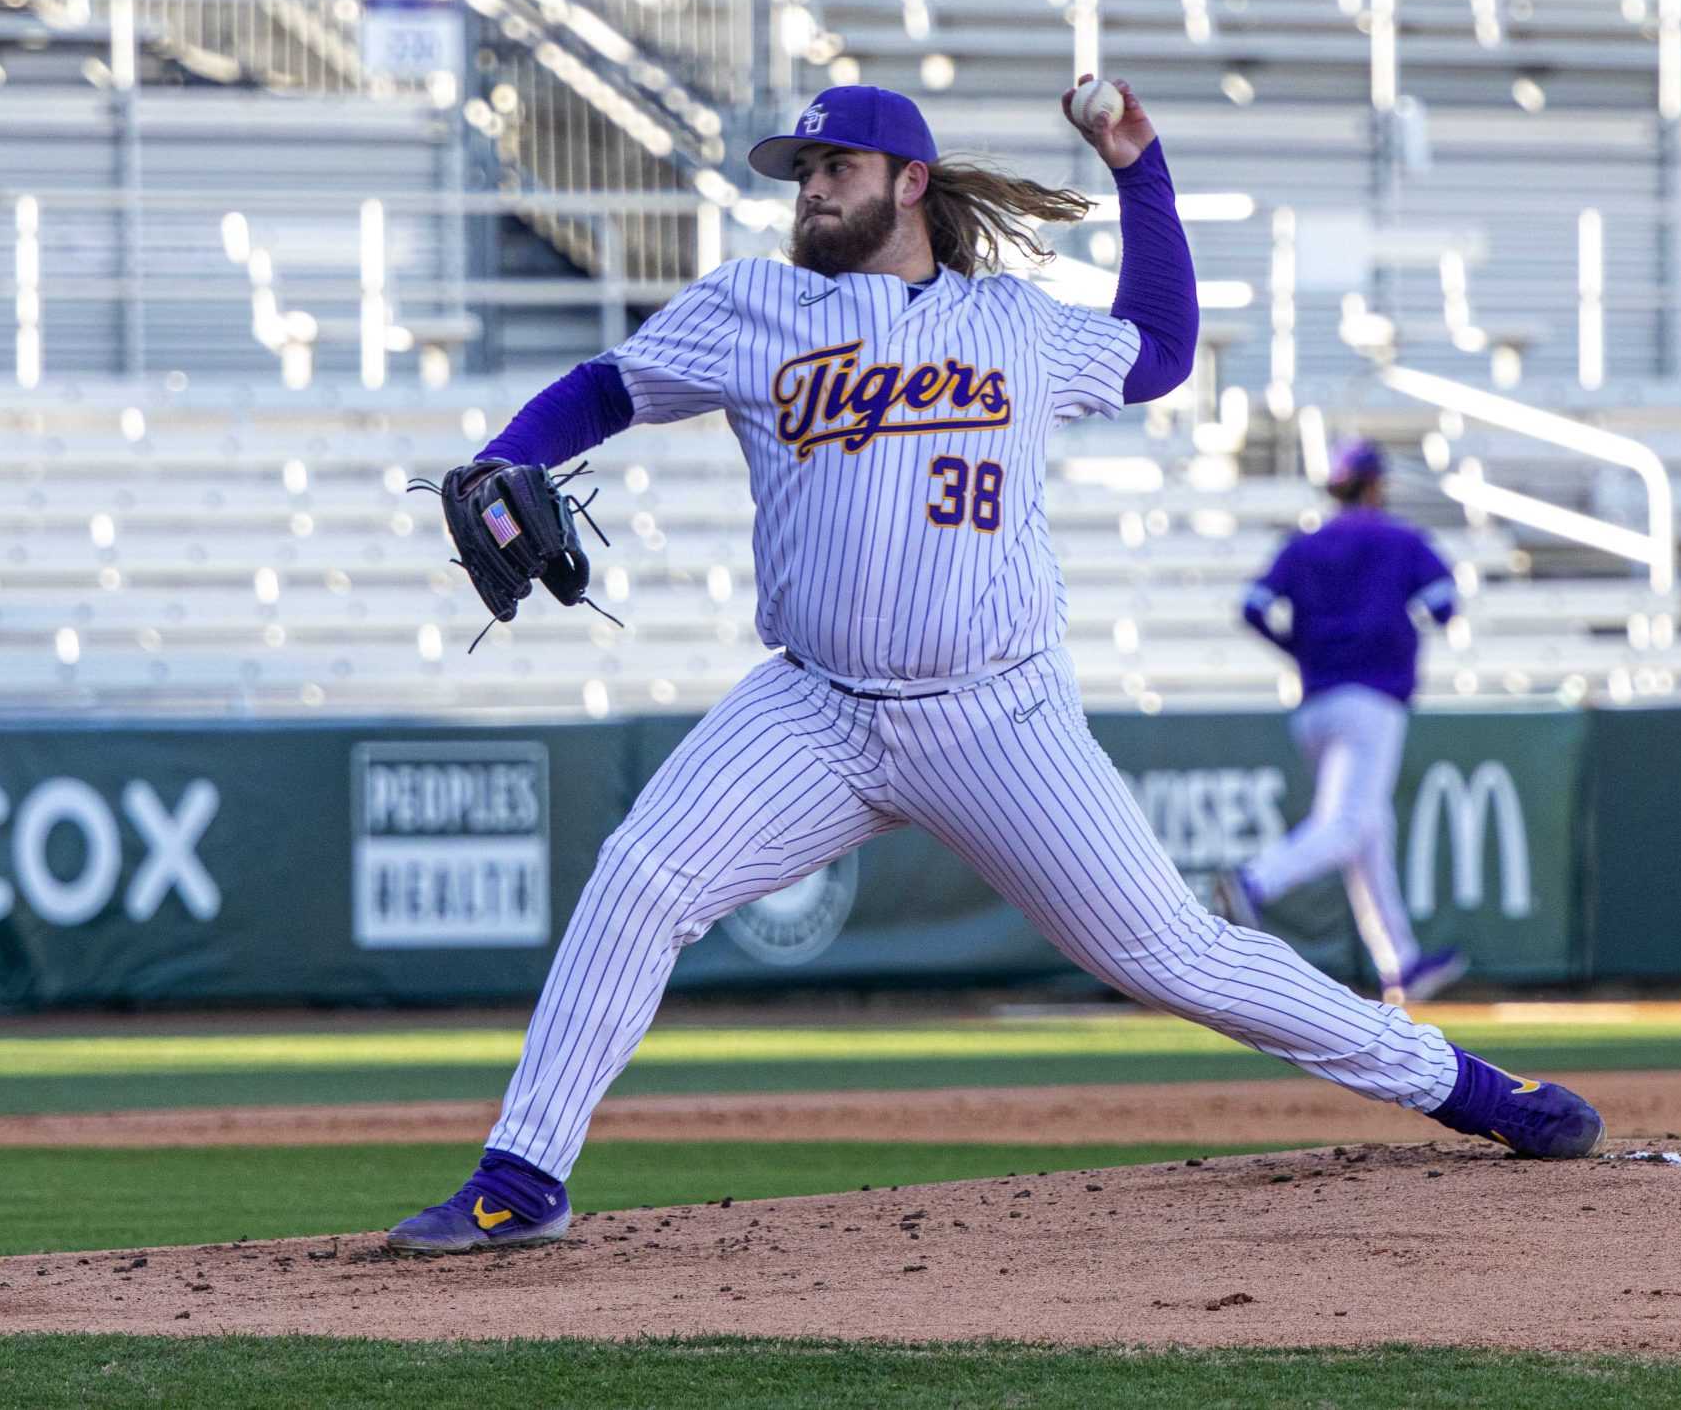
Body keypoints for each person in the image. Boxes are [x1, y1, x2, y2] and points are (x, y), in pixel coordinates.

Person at [385, 81, 1603, 1255]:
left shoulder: (1011, 324)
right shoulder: (751, 303)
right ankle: (520, 1177)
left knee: (1175, 956)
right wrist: (502, 454)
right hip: (813, 705)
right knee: (641, 880)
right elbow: (606, 387)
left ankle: (1464, 1086)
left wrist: (1138, 165)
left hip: (994, 713)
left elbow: (1164, 350)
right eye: (800, 172)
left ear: (909, 183)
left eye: (833, 169)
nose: (810, 190)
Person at [1222, 442, 1470, 1007]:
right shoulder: (1401, 539)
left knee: (1370, 832)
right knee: (1348, 825)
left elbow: (1252, 607)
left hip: (1315, 703)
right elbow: (1444, 607)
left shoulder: (1304, 546)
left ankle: (1401, 963)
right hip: (1372, 699)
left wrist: (1298, 649)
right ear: (1377, 486)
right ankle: (1254, 881)